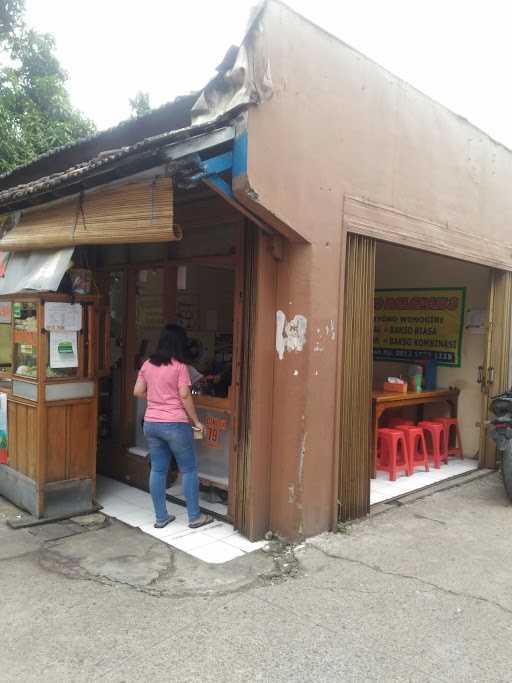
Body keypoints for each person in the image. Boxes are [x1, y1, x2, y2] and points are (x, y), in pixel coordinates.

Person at [133, 324, 212, 529]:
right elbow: (185, 395)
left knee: (158, 470)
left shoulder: (148, 364)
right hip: (175, 424)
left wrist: (156, 400)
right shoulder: (179, 366)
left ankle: (161, 517)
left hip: (151, 423)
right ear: (180, 344)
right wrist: (196, 422)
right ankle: (194, 517)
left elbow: (137, 391)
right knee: (188, 470)